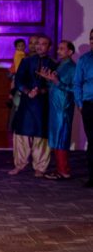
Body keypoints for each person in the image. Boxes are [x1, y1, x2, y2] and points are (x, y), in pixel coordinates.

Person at [9, 35, 57, 177]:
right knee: (22, 134)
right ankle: (19, 165)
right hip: (27, 102)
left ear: (49, 47)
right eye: (38, 44)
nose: (39, 46)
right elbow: (18, 80)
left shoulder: (53, 63)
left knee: (41, 135)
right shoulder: (26, 61)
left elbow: (54, 84)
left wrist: (41, 90)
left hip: (42, 103)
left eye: (44, 44)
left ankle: (40, 167)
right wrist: (27, 91)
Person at [39, 41, 76, 180]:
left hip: (63, 108)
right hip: (55, 107)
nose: (58, 51)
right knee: (55, 137)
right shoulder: (60, 65)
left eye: (62, 49)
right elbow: (54, 84)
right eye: (58, 48)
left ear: (70, 52)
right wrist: (48, 79)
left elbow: (74, 89)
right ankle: (59, 169)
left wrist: (57, 82)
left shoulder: (73, 68)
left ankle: (64, 171)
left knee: (61, 138)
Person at [74, 28, 93, 187]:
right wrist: (80, 103)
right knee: (92, 141)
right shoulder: (84, 60)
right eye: (91, 38)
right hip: (90, 105)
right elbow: (77, 83)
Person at [8, 38, 27, 130]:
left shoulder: (22, 54)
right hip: (18, 75)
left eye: (23, 45)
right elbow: (18, 66)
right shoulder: (20, 55)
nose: (21, 47)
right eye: (19, 46)